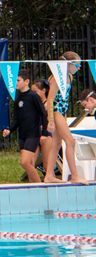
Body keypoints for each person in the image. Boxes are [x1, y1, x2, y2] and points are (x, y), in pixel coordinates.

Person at [43, 51, 85, 183]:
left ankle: (49, 175)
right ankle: (75, 176)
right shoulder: (56, 78)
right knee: (70, 141)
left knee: (56, 144)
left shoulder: (69, 77)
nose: (79, 68)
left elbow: (65, 100)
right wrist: (51, 121)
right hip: (55, 111)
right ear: (68, 64)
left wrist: (65, 117)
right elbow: (50, 100)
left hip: (62, 112)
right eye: (77, 65)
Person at [3, 72, 50, 183]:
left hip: (33, 134)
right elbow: (17, 120)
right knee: (30, 164)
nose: (15, 83)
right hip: (23, 135)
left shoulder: (33, 96)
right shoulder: (18, 99)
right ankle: (33, 187)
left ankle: (39, 186)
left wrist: (44, 133)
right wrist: (9, 130)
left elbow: (43, 114)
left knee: (24, 162)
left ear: (27, 81)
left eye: (18, 80)